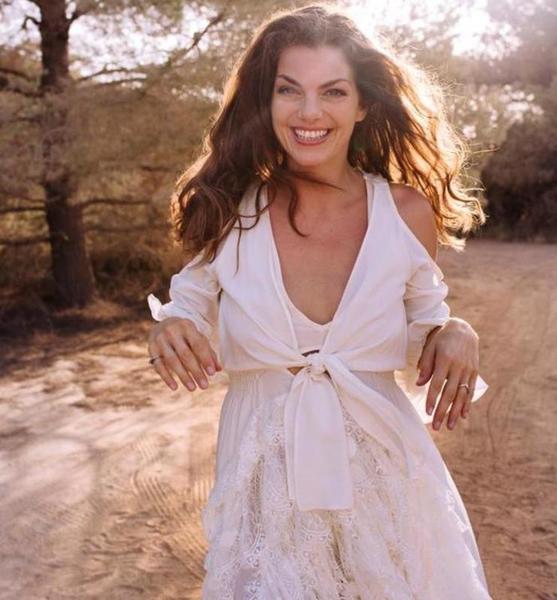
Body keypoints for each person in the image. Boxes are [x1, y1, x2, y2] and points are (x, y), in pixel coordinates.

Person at [147, 4, 492, 598]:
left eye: (333, 91)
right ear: (266, 101)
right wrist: (169, 328)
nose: (310, 112)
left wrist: (457, 330)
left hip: (387, 489)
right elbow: (186, 306)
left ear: (362, 105)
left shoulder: (405, 212)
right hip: (266, 499)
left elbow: (427, 324)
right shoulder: (230, 210)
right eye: (289, 90)